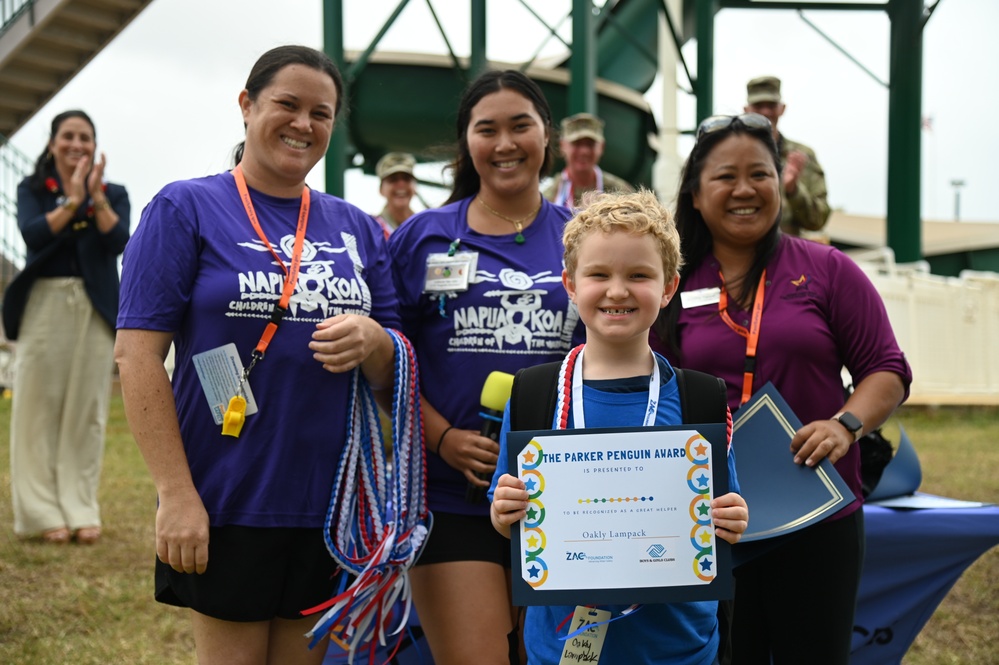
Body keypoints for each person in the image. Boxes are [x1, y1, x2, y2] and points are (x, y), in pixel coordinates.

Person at [114, 45, 401, 665]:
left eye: (320, 113)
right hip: (228, 496)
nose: (303, 124)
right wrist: (175, 493)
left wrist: (375, 342)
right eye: (287, 105)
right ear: (247, 106)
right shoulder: (183, 207)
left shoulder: (355, 226)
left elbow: (397, 369)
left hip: (331, 504)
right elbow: (136, 359)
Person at [652, 113, 912, 664]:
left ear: (779, 183)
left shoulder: (828, 270)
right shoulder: (669, 282)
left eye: (760, 174)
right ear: (696, 195)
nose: (744, 189)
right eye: (725, 176)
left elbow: (886, 369)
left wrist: (845, 425)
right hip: (709, 515)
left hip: (816, 512)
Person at [490, 189, 749, 665]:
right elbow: (505, 518)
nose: (616, 290)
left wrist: (731, 520)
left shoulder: (700, 399)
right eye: (598, 274)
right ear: (570, 283)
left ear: (669, 287)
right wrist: (505, 512)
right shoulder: (534, 395)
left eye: (638, 275)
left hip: (681, 651)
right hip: (561, 652)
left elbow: (724, 514)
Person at [387, 69, 585, 665]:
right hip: (452, 497)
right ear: (465, 144)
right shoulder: (421, 239)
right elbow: (384, 364)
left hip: (567, 491)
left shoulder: (585, 238)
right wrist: (444, 440)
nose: (505, 144)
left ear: (546, 136)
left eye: (520, 126)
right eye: (487, 129)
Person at [5, 109, 130, 545]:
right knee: (37, 408)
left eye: (85, 137)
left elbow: (119, 242)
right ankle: (40, 512)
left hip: (96, 305)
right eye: (68, 136)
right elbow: (34, 234)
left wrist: (93, 199)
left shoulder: (113, 193)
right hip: (45, 302)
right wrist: (72, 201)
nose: (77, 144)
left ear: (94, 146)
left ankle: (80, 507)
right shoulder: (34, 188)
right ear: (53, 142)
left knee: (87, 412)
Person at [744, 76, 831, 236]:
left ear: (782, 108)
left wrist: (794, 191)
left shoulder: (803, 156)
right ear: (746, 111)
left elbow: (818, 220)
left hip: (788, 255)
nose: (765, 112)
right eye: (758, 106)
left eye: (771, 105)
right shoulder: (730, 157)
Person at [543, 112, 635, 209]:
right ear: (562, 146)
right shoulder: (549, 197)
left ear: (602, 147)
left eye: (590, 144)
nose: (584, 151)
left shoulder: (621, 193)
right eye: (577, 144)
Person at [372, 151, 418, 237]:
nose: (401, 185)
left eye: (406, 179)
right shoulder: (372, 229)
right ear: (381, 190)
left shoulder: (423, 226)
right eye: (393, 179)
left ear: (415, 187)